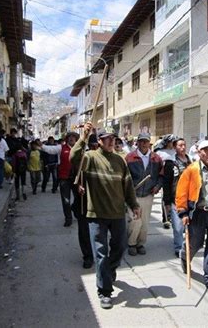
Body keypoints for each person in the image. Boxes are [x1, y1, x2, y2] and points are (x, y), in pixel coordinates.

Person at [70, 122, 140, 309]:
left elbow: (127, 185)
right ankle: (105, 291)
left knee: (120, 246)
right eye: (107, 138)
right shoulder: (90, 157)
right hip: (96, 214)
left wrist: (134, 204)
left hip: (117, 213)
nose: (111, 141)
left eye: (113, 139)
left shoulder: (120, 161)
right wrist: (83, 136)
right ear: (99, 141)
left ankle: (109, 271)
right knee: (100, 253)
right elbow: (73, 157)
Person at [175, 139, 208, 294]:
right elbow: (181, 193)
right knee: (195, 243)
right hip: (196, 213)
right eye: (207, 151)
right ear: (199, 152)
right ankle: (185, 255)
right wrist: (183, 212)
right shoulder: (191, 170)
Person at [125, 132, 162, 256]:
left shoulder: (156, 158)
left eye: (146, 141)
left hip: (148, 195)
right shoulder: (129, 158)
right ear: (138, 142)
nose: (144, 143)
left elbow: (161, 176)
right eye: (142, 141)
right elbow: (124, 177)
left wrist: (157, 187)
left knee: (145, 222)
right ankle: (131, 243)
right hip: (133, 195)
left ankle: (140, 243)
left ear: (149, 143)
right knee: (135, 221)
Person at [73, 134, 99, 269]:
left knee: (100, 232)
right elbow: (74, 176)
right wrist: (78, 186)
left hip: (100, 203)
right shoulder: (82, 157)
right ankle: (88, 256)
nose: (94, 147)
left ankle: (100, 256)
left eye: (97, 145)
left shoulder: (105, 157)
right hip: (84, 202)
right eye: (92, 145)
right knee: (84, 231)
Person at [42, 132, 78, 227]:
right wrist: (41, 146)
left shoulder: (80, 148)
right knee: (66, 200)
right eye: (69, 137)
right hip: (64, 178)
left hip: (77, 178)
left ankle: (74, 209)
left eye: (73, 137)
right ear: (67, 139)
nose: (71, 138)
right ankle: (68, 218)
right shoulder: (61, 147)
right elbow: (50, 149)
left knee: (79, 199)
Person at [163, 137, 191, 257]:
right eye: (180, 145)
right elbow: (166, 183)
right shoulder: (170, 164)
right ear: (175, 148)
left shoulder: (191, 162)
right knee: (178, 226)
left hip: (190, 199)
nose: (183, 147)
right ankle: (178, 247)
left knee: (190, 226)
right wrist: (167, 202)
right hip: (176, 199)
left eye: (184, 145)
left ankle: (188, 246)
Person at [155, 134, 177, 229]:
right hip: (165, 176)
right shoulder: (160, 152)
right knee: (165, 197)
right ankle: (166, 218)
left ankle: (174, 217)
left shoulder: (175, 151)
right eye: (171, 141)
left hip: (175, 177)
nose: (173, 143)